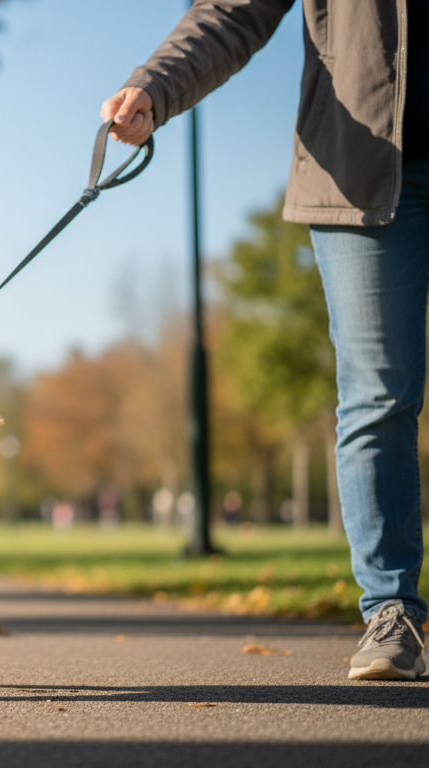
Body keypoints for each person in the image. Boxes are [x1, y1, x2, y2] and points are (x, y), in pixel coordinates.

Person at [102, 0, 426, 680]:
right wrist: (156, 84)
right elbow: (231, 10)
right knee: (377, 395)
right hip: (364, 162)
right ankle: (392, 611)